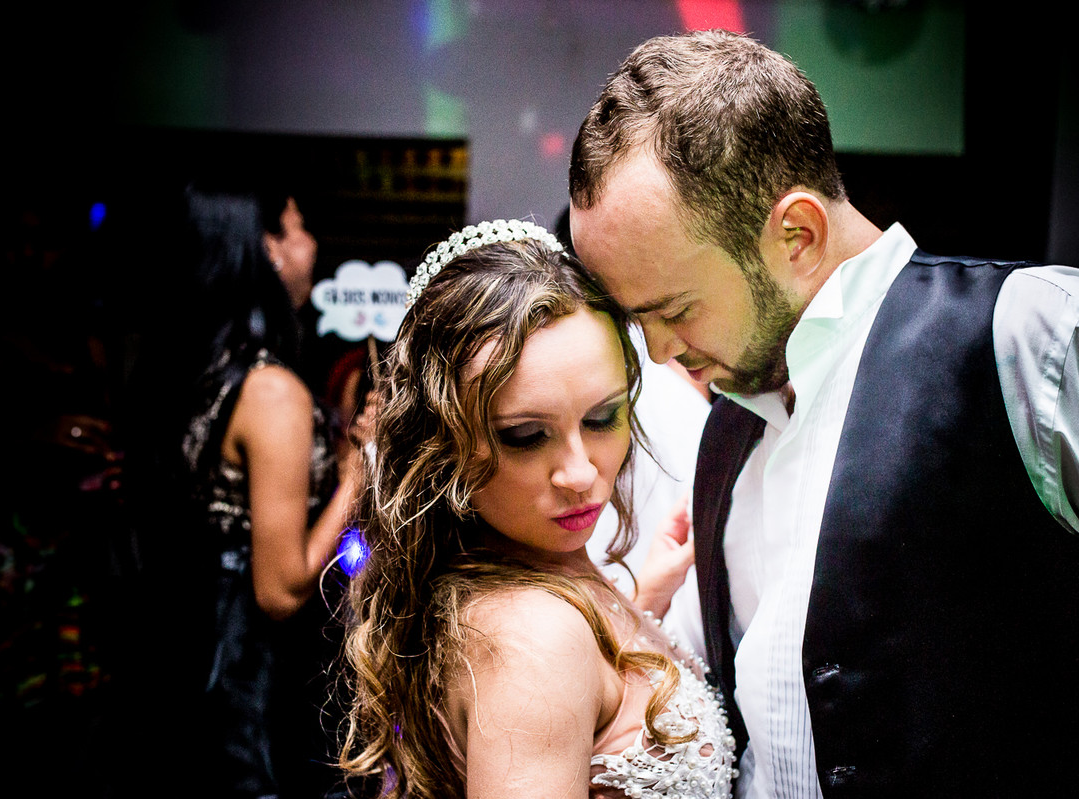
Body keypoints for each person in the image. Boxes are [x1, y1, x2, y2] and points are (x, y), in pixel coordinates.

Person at [567, 29, 1078, 797]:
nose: (661, 350)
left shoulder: (1028, 329)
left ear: (797, 234)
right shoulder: (725, 434)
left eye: (674, 309)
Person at [338, 219, 737, 799]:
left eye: (602, 418)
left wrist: (638, 607)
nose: (580, 474)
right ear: (443, 443)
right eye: (526, 436)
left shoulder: (547, 568)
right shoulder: (534, 642)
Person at [117, 185, 365, 798]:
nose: (311, 246)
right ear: (266, 249)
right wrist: (360, 472)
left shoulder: (193, 368)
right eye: (297, 227)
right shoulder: (271, 389)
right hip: (251, 684)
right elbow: (280, 589)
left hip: (185, 660)